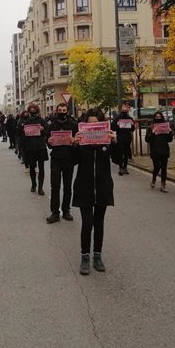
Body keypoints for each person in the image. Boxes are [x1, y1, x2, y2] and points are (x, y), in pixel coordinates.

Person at [72, 108, 116, 275]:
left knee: (99, 224)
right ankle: (85, 256)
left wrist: (114, 142)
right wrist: (74, 145)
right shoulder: (82, 141)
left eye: (96, 124)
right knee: (87, 223)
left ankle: (97, 256)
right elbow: (73, 161)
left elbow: (119, 159)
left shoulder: (106, 141)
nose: (93, 127)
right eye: (89, 124)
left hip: (103, 187)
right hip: (84, 186)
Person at [46, 103, 78, 224]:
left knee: (68, 186)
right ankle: (55, 212)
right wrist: (49, 141)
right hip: (56, 159)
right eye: (60, 110)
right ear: (56, 111)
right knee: (55, 186)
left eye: (64, 110)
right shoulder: (52, 125)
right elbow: (48, 141)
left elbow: (78, 141)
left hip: (69, 158)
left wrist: (75, 142)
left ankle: (66, 210)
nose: (62, 112)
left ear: (67, 111)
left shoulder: (74, 125)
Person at [21, 103, 48, 194]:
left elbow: (46, 133)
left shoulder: (41, 120)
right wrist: (24, 131)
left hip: (40, 146)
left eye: (34, 109)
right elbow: (22, 135)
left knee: (41, 168)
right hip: (30, 147)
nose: (33, 111)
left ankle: (40, 187)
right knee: (32, 167)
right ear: (29, 111)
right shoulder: (26, 121)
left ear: (37, 110)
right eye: (31, 109)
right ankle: (33, 184)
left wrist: (42, 129)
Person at [145, 111, 174, 192]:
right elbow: (147, 139)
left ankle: (163, 184)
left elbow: (170, 139)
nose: (158, 118)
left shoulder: (165, 127)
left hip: (164, 150)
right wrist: (153, 132)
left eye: (159, 117)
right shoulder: (151, 127)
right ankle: (154, 179)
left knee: (164, 168)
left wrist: (170, 131)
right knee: (157, 166)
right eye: (156, 117)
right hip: (155, 150)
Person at [111, 102, 135, 176]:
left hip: (127, 138)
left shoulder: (130, 119)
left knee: (126, 153)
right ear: (121, 108)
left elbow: (133, 129)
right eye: (124, 107)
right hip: (120, 138)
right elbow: (113, 127)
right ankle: (121, 168)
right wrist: (117, 126)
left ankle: (125, 167)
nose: (125, 108)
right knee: (121, 153)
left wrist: (132, 125)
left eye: (127, 107)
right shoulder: (117, 118)